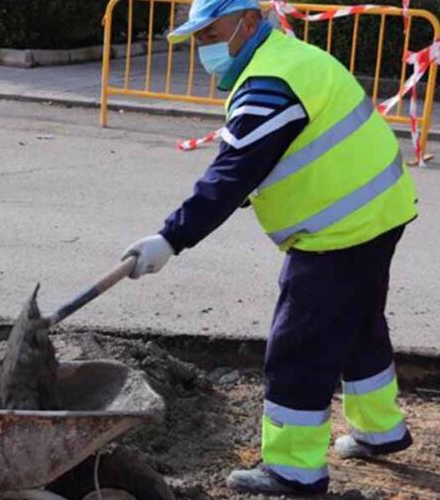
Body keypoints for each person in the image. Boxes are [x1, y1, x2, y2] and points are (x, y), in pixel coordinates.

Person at [120, 0, 417, 494]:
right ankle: (381, 432)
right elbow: (272, 155)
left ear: (250, 22)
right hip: (379, 212)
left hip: (340, 232)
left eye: (211, 35)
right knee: (358, 324)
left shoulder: (269, 84)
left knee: (299, 345)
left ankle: (294, 470)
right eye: (198, 40)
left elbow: (231, 175)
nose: (204, 49)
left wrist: (171, 238)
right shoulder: (286, 58)